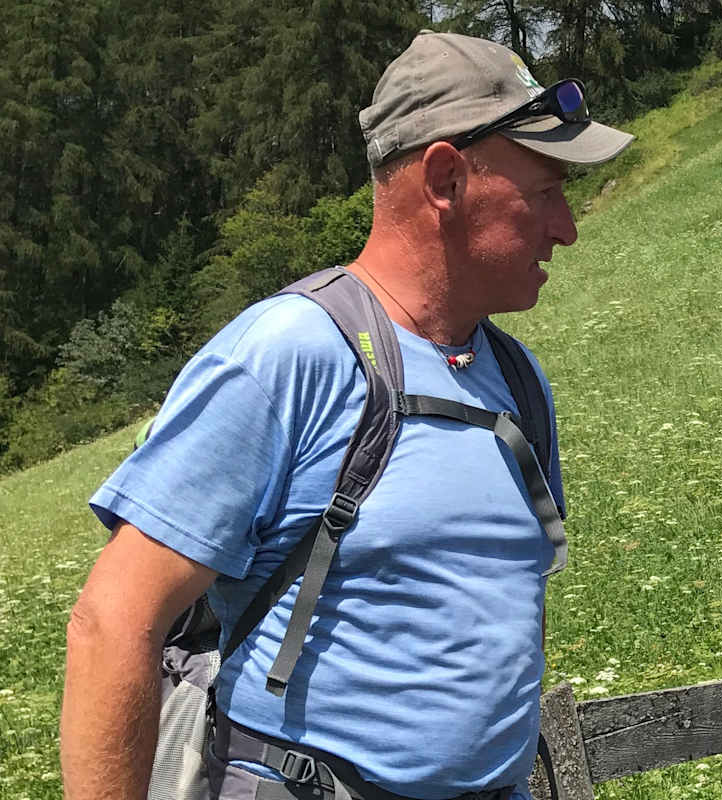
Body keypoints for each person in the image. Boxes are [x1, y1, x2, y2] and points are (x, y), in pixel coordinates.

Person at [60, 31, 632, 800]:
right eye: (544, 192)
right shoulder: (287, 355)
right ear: (445, 178)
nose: (566, 227)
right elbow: (112, 623)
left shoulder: (517, 379)